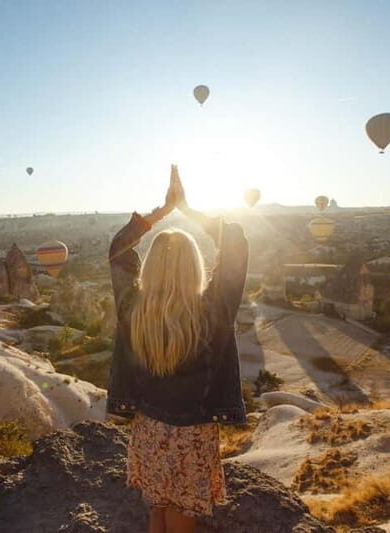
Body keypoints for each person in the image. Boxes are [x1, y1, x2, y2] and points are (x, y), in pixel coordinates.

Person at [107, 165, 249, 533]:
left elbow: (118, 250)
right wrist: (188, 210)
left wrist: (160, 212)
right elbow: (235, 245)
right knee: (181, 515)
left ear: (151, 268)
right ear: (194, 267)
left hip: (149, 428)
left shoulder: (134, 310)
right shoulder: (213, 311)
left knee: (158, 509)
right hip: (193, 433)